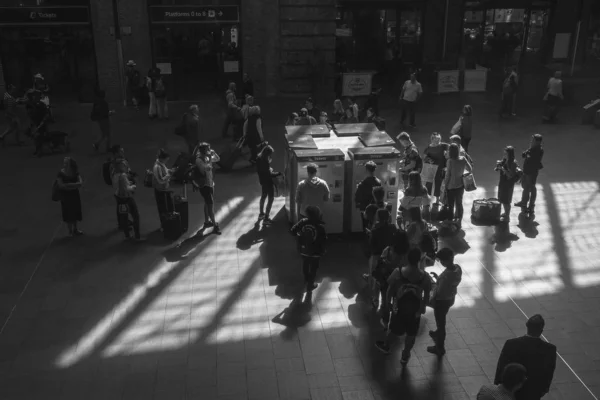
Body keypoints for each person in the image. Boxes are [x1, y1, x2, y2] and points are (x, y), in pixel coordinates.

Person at [375, 248, 432, 364]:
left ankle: (386, 346)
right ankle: (405, 355)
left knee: (394, 329)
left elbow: (390, 289)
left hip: (399, 308)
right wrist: (422, 308)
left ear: (407, 258)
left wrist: (388, 303)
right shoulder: (425, 277)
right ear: (419, 260)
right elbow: (426, 295)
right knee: (411, 333)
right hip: (414, 310)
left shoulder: (398, 272)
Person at [494, 315, 557, 400]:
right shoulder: (550, 350)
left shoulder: (511, 344)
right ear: (541, 330)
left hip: (510, 392)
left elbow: (501, 367)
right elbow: (548, 374)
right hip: (532, 394)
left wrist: (497, 388)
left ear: (527, 326)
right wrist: (541, 392)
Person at [427, 248, 462, 356]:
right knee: (442, 318)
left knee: (441, 322)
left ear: (445, 261)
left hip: (441, 302)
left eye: (441, 261)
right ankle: (438, 332)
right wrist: (438, 279)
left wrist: (432, 298)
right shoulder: (457, 269)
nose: (441, 263)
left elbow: (440, 291)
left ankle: (440, 347)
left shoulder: (446, 276)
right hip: (450, 298)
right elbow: (448, 284)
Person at [365, 209, 397, 309]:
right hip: (389, 254)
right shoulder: (392, 227)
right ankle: (387, 300)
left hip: (377, 255)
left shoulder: (375, 230)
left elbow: (372, 244)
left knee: (376, 277)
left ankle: (375, 300)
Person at [290, 205, 327, 292]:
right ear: (318, 215)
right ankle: (311, 284)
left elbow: (292, 231)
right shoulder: (320, 226)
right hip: (316, 252)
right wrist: (323, 250)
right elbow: (323, 240)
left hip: (304, 250)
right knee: (314, 268)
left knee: (305, 264)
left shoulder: (302, 222)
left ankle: (306, 279)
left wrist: (300, 236)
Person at [193, 142, 221, 234]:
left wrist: (213, 153)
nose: (209, 150)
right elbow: (206, 169)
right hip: (204, 185)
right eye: (208, 149)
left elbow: (217, 159)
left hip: (210, 183)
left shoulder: (206, 156)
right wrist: (209, 159)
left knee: (207, 202)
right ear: (203, 150)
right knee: (210, 204)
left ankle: (206, 221)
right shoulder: (199, 159)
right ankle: (214, 225)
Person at [443, 143, 473, 228]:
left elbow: (448, 174)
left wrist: (445, 184)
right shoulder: (463, 158)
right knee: (459, 203)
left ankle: (450, 220)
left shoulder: (450, 161)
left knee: (451, 204)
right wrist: (461, 172)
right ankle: (459, 220)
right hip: (460, 185)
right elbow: (470, 169)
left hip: (451, 186)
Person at [114, 160, 143, 241]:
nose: (127, 167)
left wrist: (127, 183)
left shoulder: (115, 175)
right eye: (125, 165)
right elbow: (126, 188)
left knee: (124, 216)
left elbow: (118, 186)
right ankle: (137, 236)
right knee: (136, 216)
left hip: (119, 198)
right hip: (127, 198)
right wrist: (133, 186)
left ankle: (127, 235)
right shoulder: (123, 175)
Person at [514, 134, 544, 216]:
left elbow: (532, 159)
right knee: (525, 187)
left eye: (533, 140)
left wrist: (528, 154)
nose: (532, 141)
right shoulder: (532, 148)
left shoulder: (539, 150)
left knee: (531, 187)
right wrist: (527, 154)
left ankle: (531, 206)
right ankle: (524, 202)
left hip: (532, 172)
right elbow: (525, 155)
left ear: (538, 142)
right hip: (526, 170)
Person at [57, 157, 83, 237]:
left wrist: (68, 185)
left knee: (75, 211)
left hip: (74, 195)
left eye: (66, 163)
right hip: (66, 196)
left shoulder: (75, 172)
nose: (64, 165)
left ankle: (75, 229)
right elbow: (60, 186)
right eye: (64, 163)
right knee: (68, 213)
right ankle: (70, 231)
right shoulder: (61, 173)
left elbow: (80, 183)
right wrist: (74, 185)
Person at [256, 145, 282, 224]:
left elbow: (260, 171)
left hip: (262, 181)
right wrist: (278, 173)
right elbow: (268, 174)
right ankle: (266, 218)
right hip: (268, 182)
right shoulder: (265, 161)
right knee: (271, 198)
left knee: (263, 196)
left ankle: (261, 214)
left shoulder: (258, 158)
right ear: (267, 153)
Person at [354, 161, 382, 230]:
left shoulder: (363, 184)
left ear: (366, 170)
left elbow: (357, 197)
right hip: (376, 208)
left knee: (366, 227)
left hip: (365, 209)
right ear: (374, 170)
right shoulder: (378, 182)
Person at [423, 132, 448, 204]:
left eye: (439, 140)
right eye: (436, 140)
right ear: (432, 139)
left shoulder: (443, 145)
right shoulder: (428, 148)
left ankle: (437, 199)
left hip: (441, 168)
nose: (438, 141)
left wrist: (447, 155)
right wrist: (429, 159)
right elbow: (424, 157)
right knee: (429, 182)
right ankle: (427, 197)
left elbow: (452, 148)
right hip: (432, 168)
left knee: (438, 183)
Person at [152, 149, 175, 229]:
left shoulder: (161, 164)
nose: (166, 161)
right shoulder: (157, 167)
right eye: (166, 159)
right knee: (163, 210)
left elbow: (165, 171)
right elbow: (161, 180)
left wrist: (169, 171)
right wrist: (169, 174)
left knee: (167, 209)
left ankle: (168, 224)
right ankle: (164, 226)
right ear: (162, 158)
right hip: (160, 191)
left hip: (164, 190)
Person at [495, 146, 519, 221]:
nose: (504, 155)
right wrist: (498, 167)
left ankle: (507, 216)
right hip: (502, 183)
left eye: (506, 153)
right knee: (502, 199)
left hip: (508, 185)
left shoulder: (513, 163)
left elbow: (510, 176)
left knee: (506, 201)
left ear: (509, 154)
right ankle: (505, 213)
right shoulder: (505, 160)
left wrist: (503, 169)